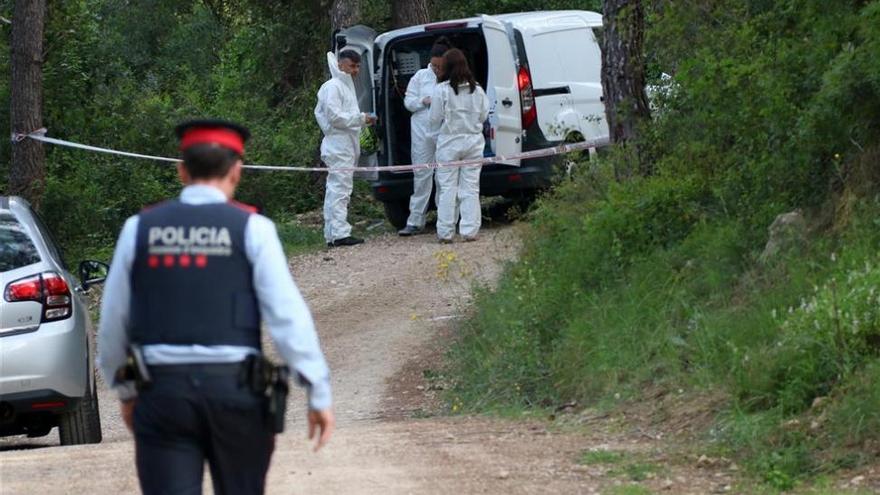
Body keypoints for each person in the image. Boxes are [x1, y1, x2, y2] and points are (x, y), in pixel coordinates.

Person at [97, 120, 334, 495]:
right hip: (236, 394)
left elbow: (113, 325)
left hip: (163, 395)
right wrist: (317, 390)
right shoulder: (252, 228)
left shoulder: (139, 228)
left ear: (181, 170)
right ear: (237, 170)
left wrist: (124, 392)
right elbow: (288, 318)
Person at [315, 49, 377, 247]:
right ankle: (340, 233)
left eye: (358, 66)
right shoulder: (333, 87)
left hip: (344, 145)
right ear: (341, 65)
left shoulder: (344, 86)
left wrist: (363, 121)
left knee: (336, 189)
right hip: (338, 145)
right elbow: (334, 117)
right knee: (340, 190)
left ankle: (332, 233)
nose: (356, 70)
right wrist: (360, 119)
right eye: (352, 66)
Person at [429, 48, 490, 243]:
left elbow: (434, 118)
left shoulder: (441, 90)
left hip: (449, 143)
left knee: (447, 188)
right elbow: (484, 115)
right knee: (471, 187)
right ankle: (469, 230)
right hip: (473, 142)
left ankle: (445, 232)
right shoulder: (478, 90)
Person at [398, 37, 452, 236]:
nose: (438, 69)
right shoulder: (421, 76)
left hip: (444, 131)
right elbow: (408, 102)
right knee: (422, 174)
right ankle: (415, 220)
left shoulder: (451, 78)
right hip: (421, 132)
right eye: (435, 65)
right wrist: (424, 100)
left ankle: (445, 220)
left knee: (444, 176)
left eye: (441, 66)